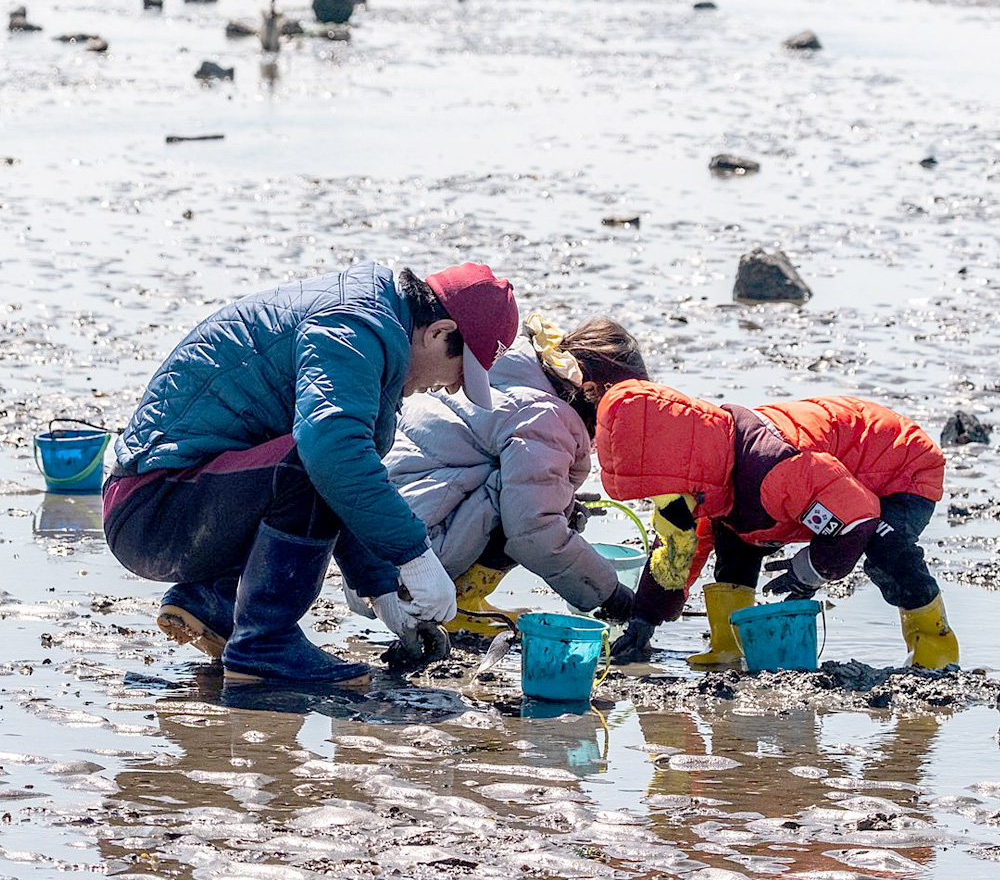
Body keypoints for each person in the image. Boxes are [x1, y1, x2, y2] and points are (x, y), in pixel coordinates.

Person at [103, 261, 519, 685]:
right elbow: (331, 457)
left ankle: (211, 599)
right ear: (437, 332)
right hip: (153, 513)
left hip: (181, 502)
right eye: (460, 371)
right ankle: (265, 645)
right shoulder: (353, 327)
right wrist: (416, 557)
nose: (452, 388)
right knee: (322, 456)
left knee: (332, 457)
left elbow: (347, 479)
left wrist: (384, 592)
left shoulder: (374, 321)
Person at [595, 383, 957, 669]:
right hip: (826, 487)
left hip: (896, 467)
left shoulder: (774, 465)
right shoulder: (703, 483)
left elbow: (857, 516)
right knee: (733, 535)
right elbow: (681, 549)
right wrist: (646, 618)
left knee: (884, 550)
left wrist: (810, 570)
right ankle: (729, 645)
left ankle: (935, 646)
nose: (666, 502)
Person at [342, 314, 648, 634]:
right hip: (408, 560)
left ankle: (463, 598)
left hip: (371, 539)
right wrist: (610, 594)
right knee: (523, 511)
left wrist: (561, 499)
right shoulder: (546, 416)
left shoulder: (515, 364)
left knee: (529, 497)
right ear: (590, 391)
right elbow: (535, 531)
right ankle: (458, 604)